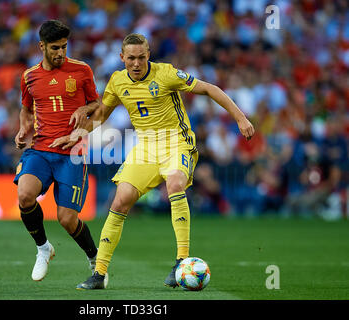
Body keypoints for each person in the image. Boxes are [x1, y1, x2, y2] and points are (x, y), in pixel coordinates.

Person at [51, 33, 254, 289]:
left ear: (149, 56)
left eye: (142, 57)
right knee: (120, 199)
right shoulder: (117, 81)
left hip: (176, 142)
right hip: (145, 147)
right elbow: (102, 114)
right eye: (131, 58)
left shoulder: (166, 74)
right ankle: (99, 274)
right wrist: (78, 134)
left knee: (175, 184)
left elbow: (209, 88)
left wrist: (240, 118)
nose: (136, 64)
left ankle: (181, 261)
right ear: (122, 58)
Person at [14, 20, 103, 282]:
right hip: (40, 149)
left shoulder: (82, 70)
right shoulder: (29, 76)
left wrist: (84, 109)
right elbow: (26, 108)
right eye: (55, 48)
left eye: (64, 47)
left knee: (66, 219)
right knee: (25, 195)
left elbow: (98, 106)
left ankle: (94, 257)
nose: (60, 53)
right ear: (41, 46)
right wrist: (22, 129)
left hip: (72, 154)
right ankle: (43, 249)